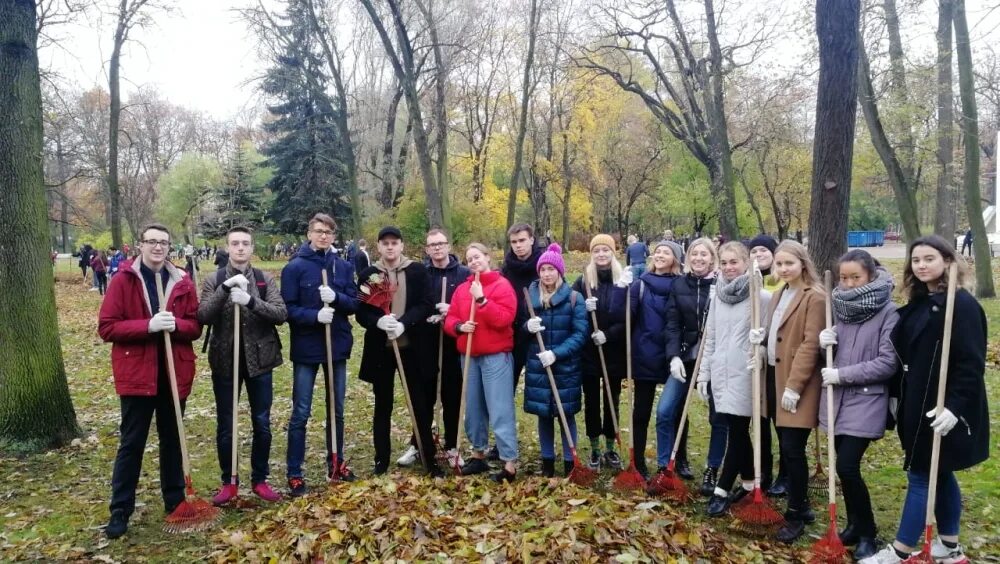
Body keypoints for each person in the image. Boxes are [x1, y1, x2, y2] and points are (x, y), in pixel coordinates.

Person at [863, 236, 989, 564]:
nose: (921, 265)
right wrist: (896, 395)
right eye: (916, 260)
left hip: (942, 406)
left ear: (947, 261)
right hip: (916, 402)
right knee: (940, 472)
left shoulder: (961, 305)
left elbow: (971, 365)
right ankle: (950, 547)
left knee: (921, 474)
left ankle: (901, 551)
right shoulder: (920, 301)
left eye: (929, 258)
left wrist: (954, 408)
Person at [97, 224, 201, 539]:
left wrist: (177, 325)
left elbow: (195, 326)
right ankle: (120, 509)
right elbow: (107, 327)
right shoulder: (123, 280)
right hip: (138, 375)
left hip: (173, 374)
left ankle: (175, 500)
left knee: (173, 439)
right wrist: (148, 326)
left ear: (170, 247)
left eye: (163, 242)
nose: (158, 247)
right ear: (140, 245)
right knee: (132, 443)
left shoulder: (182, 280)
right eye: (152, 241)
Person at [814, 250, 898, 560]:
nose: (848, 284)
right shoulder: (840, 308)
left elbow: (887, 362)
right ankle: (853, 524)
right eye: (843, 278)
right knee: (843, 466)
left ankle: (868, 533)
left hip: (866, 399)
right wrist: (825, 345)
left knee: (847, 466)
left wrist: (842, 374)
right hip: (837, 400)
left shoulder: (889, 312)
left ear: (871, 276)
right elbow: (832, 356)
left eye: (855, 277)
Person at [197, 227, 288, 505]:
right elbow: (203, 315)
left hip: (260, 360)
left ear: (251, 248)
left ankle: (260, 479)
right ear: (227, 247)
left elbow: (280, 313)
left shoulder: (263, 279)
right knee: (226, 423)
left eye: (245, 243)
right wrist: (225, 290)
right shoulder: (214, 279)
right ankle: (229, 481)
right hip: (225, 361)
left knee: (261, 422)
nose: (240, 248)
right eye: (235, 243)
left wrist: (250, 301)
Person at [750, 239, 825, 543]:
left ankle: (795, 513)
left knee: (792, 448)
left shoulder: (814, 296)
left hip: (795, 381)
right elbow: (776, 332)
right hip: (773, 376)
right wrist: (761, 340)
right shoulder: (781, 292)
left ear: (803, 264)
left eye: (789, 263)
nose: (783, 268)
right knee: (785, 444)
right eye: (779, 264)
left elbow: (810, 344)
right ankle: (802, 505)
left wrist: (794, 387)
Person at [281, 214, 359, 495]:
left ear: (334, 236)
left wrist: (336, 299)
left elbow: (355, 304)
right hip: (307, 348)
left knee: (336, 408)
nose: (323, 235)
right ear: (309, 234)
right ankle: (294, 472)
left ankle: (336, 461)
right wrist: (315, 316)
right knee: (301, 410)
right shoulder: (294, 267)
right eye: (318, 231)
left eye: (328, 232)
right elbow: (287, 309)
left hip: (336, 346)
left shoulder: (343, 266)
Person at [356, 226, 441, 477]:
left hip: (412, 349)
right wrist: (378, 321)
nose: (390, 247)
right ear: (379, 247)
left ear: (402, 245)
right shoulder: (370, 274)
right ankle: (381, 459)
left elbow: (426, 304)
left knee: (419, 403)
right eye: (385, 243)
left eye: (394, 243)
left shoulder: (417, 271)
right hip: (382, 351)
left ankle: (428, 456)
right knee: (382, 404)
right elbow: (361, 311)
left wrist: (404, 323)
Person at [698, 242, 771, 514]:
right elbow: (711, 338)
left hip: (746, 372)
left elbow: (769, 337)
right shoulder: (717, 296)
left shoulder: (760, 296)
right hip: (721, 372)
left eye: (734, 262)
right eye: (725, 262)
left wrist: (760, 348)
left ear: (746, 263)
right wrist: (704, 374)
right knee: (734, 428)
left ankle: (722, 488)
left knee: (738, 430)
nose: (729, 267)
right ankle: (751, 483)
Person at [443, 243, 519, 481]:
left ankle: (509, 462)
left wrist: (483, 300)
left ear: (487, 257)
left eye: (477, 257)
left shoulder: (502, 285)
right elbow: (450, 318)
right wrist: (459, 326)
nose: (474, 262)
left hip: (495, 356)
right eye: (469, 259)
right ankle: (478, 455)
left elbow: (505, 319)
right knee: (473, 409)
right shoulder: (462, 289)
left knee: (499, 409)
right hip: (469, 355)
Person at [397, 229, 470, 469]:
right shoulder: (420, 273)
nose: (437, 248)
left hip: (453, 342)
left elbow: (470, 306)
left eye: (440, 243)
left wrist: (453, 311)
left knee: (452, 395)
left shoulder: (464, 274)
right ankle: (419, 443)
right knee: (424, 396)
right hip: (425, 343)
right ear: (427, 249)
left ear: (448, 245)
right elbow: (414, 304)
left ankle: (452, 446)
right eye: (432, 245)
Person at [522, 244, 588, 478]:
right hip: (538, 366)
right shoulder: (530, 298)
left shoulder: (574, 298)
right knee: (544, 414)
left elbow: (580, 334)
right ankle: (547, 463)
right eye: (543, 269)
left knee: (565, 414)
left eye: (551, 269)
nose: (547, 274)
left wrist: (556, 354)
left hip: (565, 367)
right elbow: (520, 329)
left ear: (559, 272)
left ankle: (571, 463)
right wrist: (527, 327)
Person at [660, 238, 719, 488]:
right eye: (694, 254)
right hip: (685, 357)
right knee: (666, 410)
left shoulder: (720, 284)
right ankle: (669, 464)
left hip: (714, 360)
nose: (698, 258)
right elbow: (672, 323)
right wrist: (674, 356)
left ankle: (712, 469)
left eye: (704, 254)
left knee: (718, 417)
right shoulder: (679, 284)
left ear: (712, 258)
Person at [571, 234, 630, 470]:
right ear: (591, 254)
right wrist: (584, 310)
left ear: (613, 253)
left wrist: (609, 334)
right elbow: (572, 315)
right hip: (589, 353)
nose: (601, 254)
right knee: (592, 401)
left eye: (606, 250)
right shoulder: (583, 281)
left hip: (613, 352)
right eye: (597, 250)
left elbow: (629, 317)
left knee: (611, 400)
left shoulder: (622, 282)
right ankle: (595, 449)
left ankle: (610, 448)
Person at [629, 240, 683, 479]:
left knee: (676, 410)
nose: (660, 255)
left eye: (666, 252)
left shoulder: (681, 285)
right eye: (658, 251)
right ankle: (638, 461)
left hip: (674, 354)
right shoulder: (639, 285)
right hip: (645, 353)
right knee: (641, 411)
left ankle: (678, 459)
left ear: (675, 259)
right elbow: (628, 317)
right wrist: (623, 294)